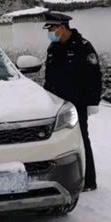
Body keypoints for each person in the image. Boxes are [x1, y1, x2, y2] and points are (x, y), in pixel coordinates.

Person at [43, 10, 103, 191]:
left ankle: (89, 181)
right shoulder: (53, 48)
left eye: (52, 28)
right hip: (57, 105)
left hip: (78, 102)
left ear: (62, 28)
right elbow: (49, 77)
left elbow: (94, 76)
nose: (50, 33)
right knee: (57, 141)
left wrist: (92, 102)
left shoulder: (83, 47)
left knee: (82, 139)